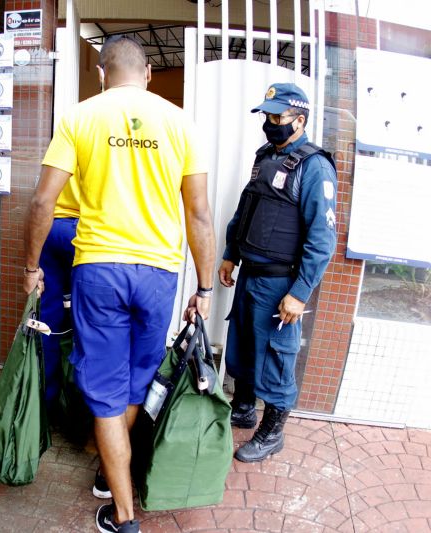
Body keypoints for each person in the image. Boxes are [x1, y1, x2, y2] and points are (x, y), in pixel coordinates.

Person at [23, 36, 216, 533]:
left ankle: (125, 515)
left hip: (100, 269)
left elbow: (43, 202)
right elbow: (198, 213)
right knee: (134, 382)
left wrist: (31, 266)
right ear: (148, 73)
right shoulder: (180, 123)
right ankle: (111, 480)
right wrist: (206, 288)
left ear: (103, 71)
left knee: (107, 391)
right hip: (159, 274)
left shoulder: (80, 117)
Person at [219, 83, 337, 463]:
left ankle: (272, 433)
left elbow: (322, 238)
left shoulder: (315, 166)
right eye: (266, 116)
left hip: (279, 283)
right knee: (243, 345)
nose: (269, 123)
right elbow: (246, 209)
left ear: (299, 121)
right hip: (250, 273)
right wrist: (230, 254)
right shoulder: (265, 156)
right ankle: (243, 408)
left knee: (276, 356)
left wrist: (301, 292)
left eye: (277, 117)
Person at [38, 175, 79, 409]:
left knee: (47, 322)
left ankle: (46, 400)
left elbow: (42, 198)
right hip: (88, 230)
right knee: (88, 322)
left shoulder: (68, 138)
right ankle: (79, 405)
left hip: (52, 225)